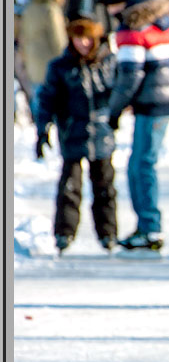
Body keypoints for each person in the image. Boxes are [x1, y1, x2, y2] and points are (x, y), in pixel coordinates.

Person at [99, 0, 169, 253]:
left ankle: (149, 228)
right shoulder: (156, 18)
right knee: (141, 163)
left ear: (116, 4)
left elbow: (128, 76)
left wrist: (114, 111)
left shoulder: (131, 26)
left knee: (140, 165)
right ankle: (148, 225)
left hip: (153, 101)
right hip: (165, 96)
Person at [35, 17, 118, 254]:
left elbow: (120, 92)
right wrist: (42, 130)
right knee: (70, 187)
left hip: (102, 133)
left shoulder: (108, 63)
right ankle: (64, 232)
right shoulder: (61, 66)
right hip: (73, 131)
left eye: (87, 38)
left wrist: (115, 116)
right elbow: (47, 99)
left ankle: (108, 234)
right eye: (77, 38)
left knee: (105, 187)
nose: (82, 43)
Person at [19, 0, 68, 122]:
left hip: (32, 61)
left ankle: (39, 127)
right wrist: (65, 58)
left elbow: (23, 36)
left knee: (38, 98)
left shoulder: (29, 7)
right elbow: (58, 38)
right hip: (50, 61)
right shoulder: (51, 8)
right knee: (53, 99)